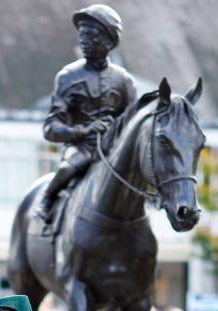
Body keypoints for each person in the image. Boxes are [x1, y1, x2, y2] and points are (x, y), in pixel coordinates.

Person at [39, 3, 136, 222]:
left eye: (91, 35)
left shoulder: (124, 81)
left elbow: (133, 122)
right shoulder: (67, 77)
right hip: (82, 148)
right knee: (68, 167)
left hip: (115, 153)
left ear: (109, 41)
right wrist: (83, 131)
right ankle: (47, 199)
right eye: (81, 35)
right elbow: (50, 128)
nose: (83, 40)